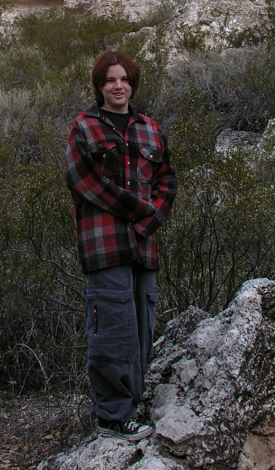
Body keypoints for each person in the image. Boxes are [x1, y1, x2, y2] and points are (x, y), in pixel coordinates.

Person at [66, 50, 177, 442]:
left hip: (143, 247)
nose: (118, 86)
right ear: (99, 86)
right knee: (112, 330)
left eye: (124, 80)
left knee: (142, 328)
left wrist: (149, 220)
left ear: (133, 84)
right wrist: (139, 211)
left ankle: (135, 406)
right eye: (110, 80)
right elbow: (85, 182)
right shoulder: (84, 127)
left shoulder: (150, 129)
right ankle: (112, 416)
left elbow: (168, 181)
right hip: (105, 246)